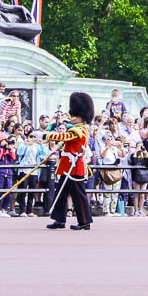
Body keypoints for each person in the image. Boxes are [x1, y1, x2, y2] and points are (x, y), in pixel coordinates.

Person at [44, 92, 94, 230]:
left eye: (74, 116)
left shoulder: (79, 130)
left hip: (75, 167)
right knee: (61, 194)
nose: (72, 118)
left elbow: (64, 136)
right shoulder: (77, 128)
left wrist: (46, 134)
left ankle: (84, 222)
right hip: (67, 166)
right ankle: (59, 219)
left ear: (80, 118)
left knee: (79, 196)